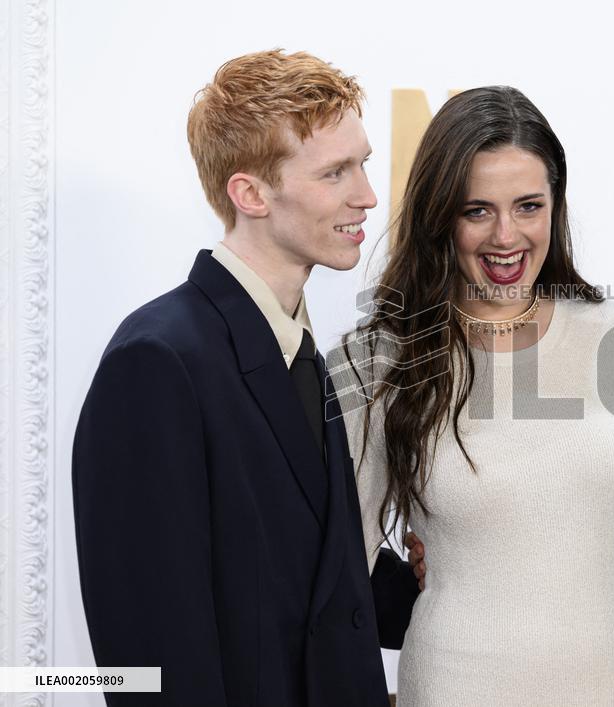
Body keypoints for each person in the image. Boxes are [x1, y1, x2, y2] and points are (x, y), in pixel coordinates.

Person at [72, 50, 417, 706]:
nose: (368, 194)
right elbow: (154, 663)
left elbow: (311, 573)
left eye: (363, 163)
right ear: (250, 193)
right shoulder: (155, 363)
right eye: (336, 172)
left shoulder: (302, 349)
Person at [330, 86, 614, 705]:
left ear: (555, 207)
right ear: (440, 216)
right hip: (456, 687)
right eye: (476, 210)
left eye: (529, 206)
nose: (506, 236)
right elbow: (327, 563)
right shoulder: (378, 360)